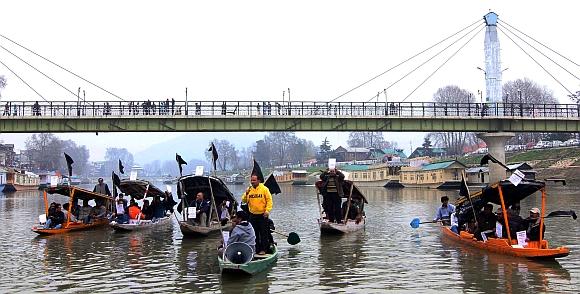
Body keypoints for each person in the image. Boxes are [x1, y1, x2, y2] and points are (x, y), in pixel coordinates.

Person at [241, 174, 273, 255]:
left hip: (263, 215)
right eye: (251, 180)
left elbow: (269, 201)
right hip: (252, 215)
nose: (252, 182)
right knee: (254, 233)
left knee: (263, 233)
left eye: (254, 180)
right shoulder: (249, 190)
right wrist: (246, 193)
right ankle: (256, 249)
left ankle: (264, 249)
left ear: (258, 181)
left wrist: (267, 211)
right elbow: (244, 200)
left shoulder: (264, 189)